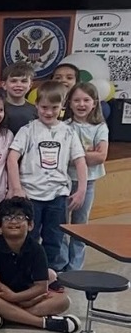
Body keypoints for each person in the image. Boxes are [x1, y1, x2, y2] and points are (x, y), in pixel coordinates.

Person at [7, 79, 87, 270]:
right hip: (31, 194)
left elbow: (80, 161)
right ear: (36, 105)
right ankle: (27, 272)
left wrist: (81, 190)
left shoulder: (68, 132)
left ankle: (49, 274)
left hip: (58, 195)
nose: (49, 112)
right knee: (29, 237)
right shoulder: (28, 130)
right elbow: (11, 158)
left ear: (62, 106)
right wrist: (16, 187)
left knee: (54, 239)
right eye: (44, 107)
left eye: (54, 107)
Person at [0, 197, 80, 333]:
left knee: (63, 300)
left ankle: (6, 317)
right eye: (7, 218)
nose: (13, 221)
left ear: (30, 225)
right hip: (0, 295)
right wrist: (14, 298)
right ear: (0, 226)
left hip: (26, 296)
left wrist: (16, 298)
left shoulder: (37, 249)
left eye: (20, 217)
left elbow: (42, 287)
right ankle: (42, 322)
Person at [63, 81, 109, 270]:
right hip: (63, 182)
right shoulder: (64, 126)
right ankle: (61, 263)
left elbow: (101, 157)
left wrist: (74, 154)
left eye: (86, 100)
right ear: (69, 103)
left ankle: (75, 267)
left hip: (87, 183)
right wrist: (85, 153)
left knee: (80, 224)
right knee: (62, 225)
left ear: (94, 102)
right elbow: (61, 156)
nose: (81, 104)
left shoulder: (99, 127)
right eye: (76, 100)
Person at [0, 62, 37, 134]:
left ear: (30, 85)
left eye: (24, 81)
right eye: (13, 81)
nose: (19, 85)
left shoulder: (35, 110)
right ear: (4, 84)